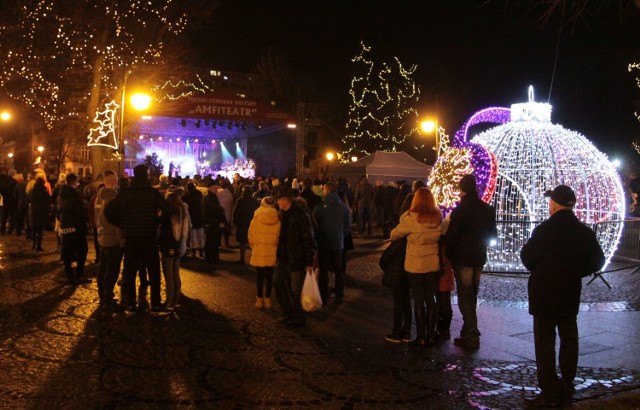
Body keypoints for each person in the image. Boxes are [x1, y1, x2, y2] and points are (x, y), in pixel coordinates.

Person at [520, 185, 605, 408]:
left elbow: (527, 257)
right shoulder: (584, 231)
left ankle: (549, 391)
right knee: (569, 339)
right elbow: (598, 261)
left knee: (544, 342)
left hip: (544, 293)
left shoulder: (544, 230)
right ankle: (567, 387)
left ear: (554, 204)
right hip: (569, 292)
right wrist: (577, 271)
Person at [104, 164, 171, 316]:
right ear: (147, 175)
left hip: (131, 236)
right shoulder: (152, 193)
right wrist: (157, 221)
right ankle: (155, 304)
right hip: (148, 235)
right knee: (153, 271)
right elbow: (167, 209)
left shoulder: (125, 193)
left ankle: (131, 304)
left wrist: (122, 224)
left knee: (130, 271)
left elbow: (109, 211)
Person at [445, 174, 497, 350]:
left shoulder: (459, 211)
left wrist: (448, 253)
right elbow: (492, 235)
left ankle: (472, 334)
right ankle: (467, 330)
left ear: (462, 189)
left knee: (465, 295)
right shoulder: (488, 210)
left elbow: (452, 237)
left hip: (463, 258)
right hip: (479, 257)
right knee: (472, 294)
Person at [390, 187, 443, 347]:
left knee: (419, 299)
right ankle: (431, 335)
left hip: (415, 265)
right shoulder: (438, 217)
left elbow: (394, 235)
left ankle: (420, 337)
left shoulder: (411, 218)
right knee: (430, 298)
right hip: (432, 264)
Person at [273, 186, 317, 328]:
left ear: (286, 200)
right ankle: (289, 313)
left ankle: (298, 318)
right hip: (284, 257)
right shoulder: (284, 214)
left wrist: (309, 261)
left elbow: (309, 239)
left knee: (296, 291)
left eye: (279, 200)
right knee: (278, 283)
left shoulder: (300, 215)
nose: (277, 202)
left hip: (297, 258)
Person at [313, 182, 351, 305]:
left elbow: (315, 226)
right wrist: (340, 235)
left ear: (327, 191)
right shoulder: (344, 207)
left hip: (324, 243)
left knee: (323, 270)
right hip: (338, 243)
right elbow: (347, 227)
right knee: (338, 270)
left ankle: (323, 295)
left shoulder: (319, 207)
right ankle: (339, 294)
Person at [94, 170, 124, 310]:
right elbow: (114, 221)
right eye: (116, 179)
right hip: (112, 238)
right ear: (113, 181)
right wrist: (121, 238)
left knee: (102, 267)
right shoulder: (112, 199)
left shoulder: (98, 197)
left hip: (101, 236)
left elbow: (96, 216)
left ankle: (102, 295)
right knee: (112, 269)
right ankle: (108, 297)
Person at [159, 192, 191, 310]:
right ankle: (177, 300)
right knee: (175, 273)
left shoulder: (168, 213)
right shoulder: (183, 211)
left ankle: (169, 302)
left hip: (169, 245)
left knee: (169, 276)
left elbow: (164, 232)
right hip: (180, 244)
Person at [248, 196, 281, 309]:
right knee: (270, 276)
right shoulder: (277, 218)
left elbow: (251, 233)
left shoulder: (256, 217)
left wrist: (253, 246)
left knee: (259, 276)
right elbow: (279, 235)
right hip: (271, 249)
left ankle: (259, 299)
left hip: (259, 248)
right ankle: (268, 300)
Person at [58, 173, 89, 285]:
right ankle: (79, 274)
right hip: (76, 228)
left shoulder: (61, 195)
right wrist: (82, 226)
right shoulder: (75, 196)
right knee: (82, 250)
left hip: (65, 227)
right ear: (74, 182)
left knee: (67, 251)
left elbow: (58, 211)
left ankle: (69, 275)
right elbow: (79, 213)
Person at [379, 236, 412, 343]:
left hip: (397, 276)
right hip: (410, 275)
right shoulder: (414, 240)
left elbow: (384, 258)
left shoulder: (399, 241)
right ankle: (407, 332)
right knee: (407, 302)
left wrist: (387, 268)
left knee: (399, 303)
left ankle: (397, 332)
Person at [233, 185, 259, 264]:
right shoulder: (255, 201)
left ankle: (242, 258)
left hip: (242, 223)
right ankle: (254, 258)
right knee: (252, 241)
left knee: (243, 242)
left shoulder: (240, 200)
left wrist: (235, 221)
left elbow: (236, 212)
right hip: (252, 222)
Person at [202, 181, 226, 264]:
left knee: (210, 241)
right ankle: (213, 258)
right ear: (210, 188)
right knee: (213, 241)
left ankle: (209, 257)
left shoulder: (211, 197)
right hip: (212, 222)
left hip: (211, 222)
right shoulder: (210, 198)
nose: (217, 190)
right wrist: (221, 212)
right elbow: (214, 210)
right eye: (215, 188)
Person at [27, 177, 51, 251]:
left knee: (34, 229)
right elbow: (49, 201)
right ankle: (38, 245)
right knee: (40, 229)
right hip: (41, 212)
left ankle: (34, 245)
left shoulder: (31, 191)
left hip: (33, 211)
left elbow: (28, 199)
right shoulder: (44, 192)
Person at [182, 182, 205, 258]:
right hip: (200, 217)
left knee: (193, 236)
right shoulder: (199, 195)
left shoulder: (186, 197)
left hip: (192, 217)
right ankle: (201, 251)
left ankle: (194, 251)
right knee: (201, 236)